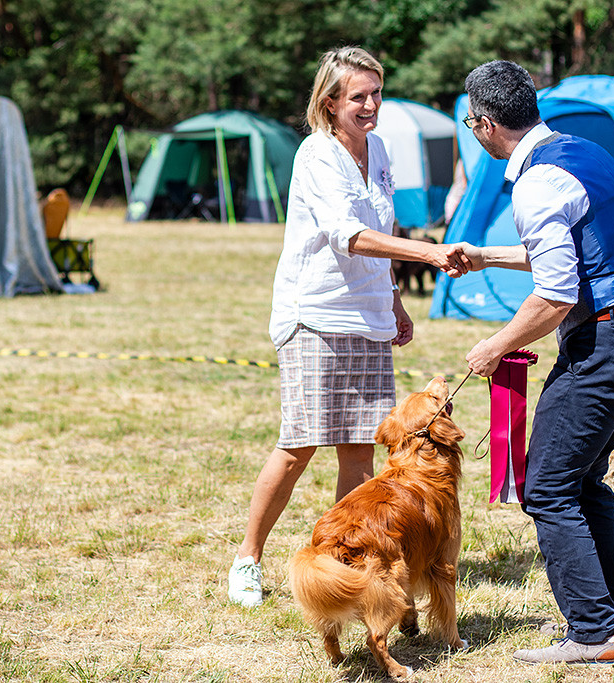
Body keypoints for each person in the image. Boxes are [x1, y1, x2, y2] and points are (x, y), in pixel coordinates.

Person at [228, 47, 470, 608]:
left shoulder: (379, 150)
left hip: (368, 317)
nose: (371, 105)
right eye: (358, 96)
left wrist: (394, 301)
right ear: (330, 101)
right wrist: (427, 255)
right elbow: (347, 235)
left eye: (376, 94)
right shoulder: (316, 155)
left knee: (361, 453)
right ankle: (248, 559)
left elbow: (376, 230)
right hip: (314, 314)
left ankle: (346, 559)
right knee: (299, 445)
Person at [459, 60, 614, 664]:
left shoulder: (532, 184)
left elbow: (557, 295)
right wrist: (484, 257)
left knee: (548, 486)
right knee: (580, 479)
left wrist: (495, 346)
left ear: (483, 125)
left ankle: (592, 632)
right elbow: (577, 256)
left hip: (612, 338)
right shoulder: (583, 149)